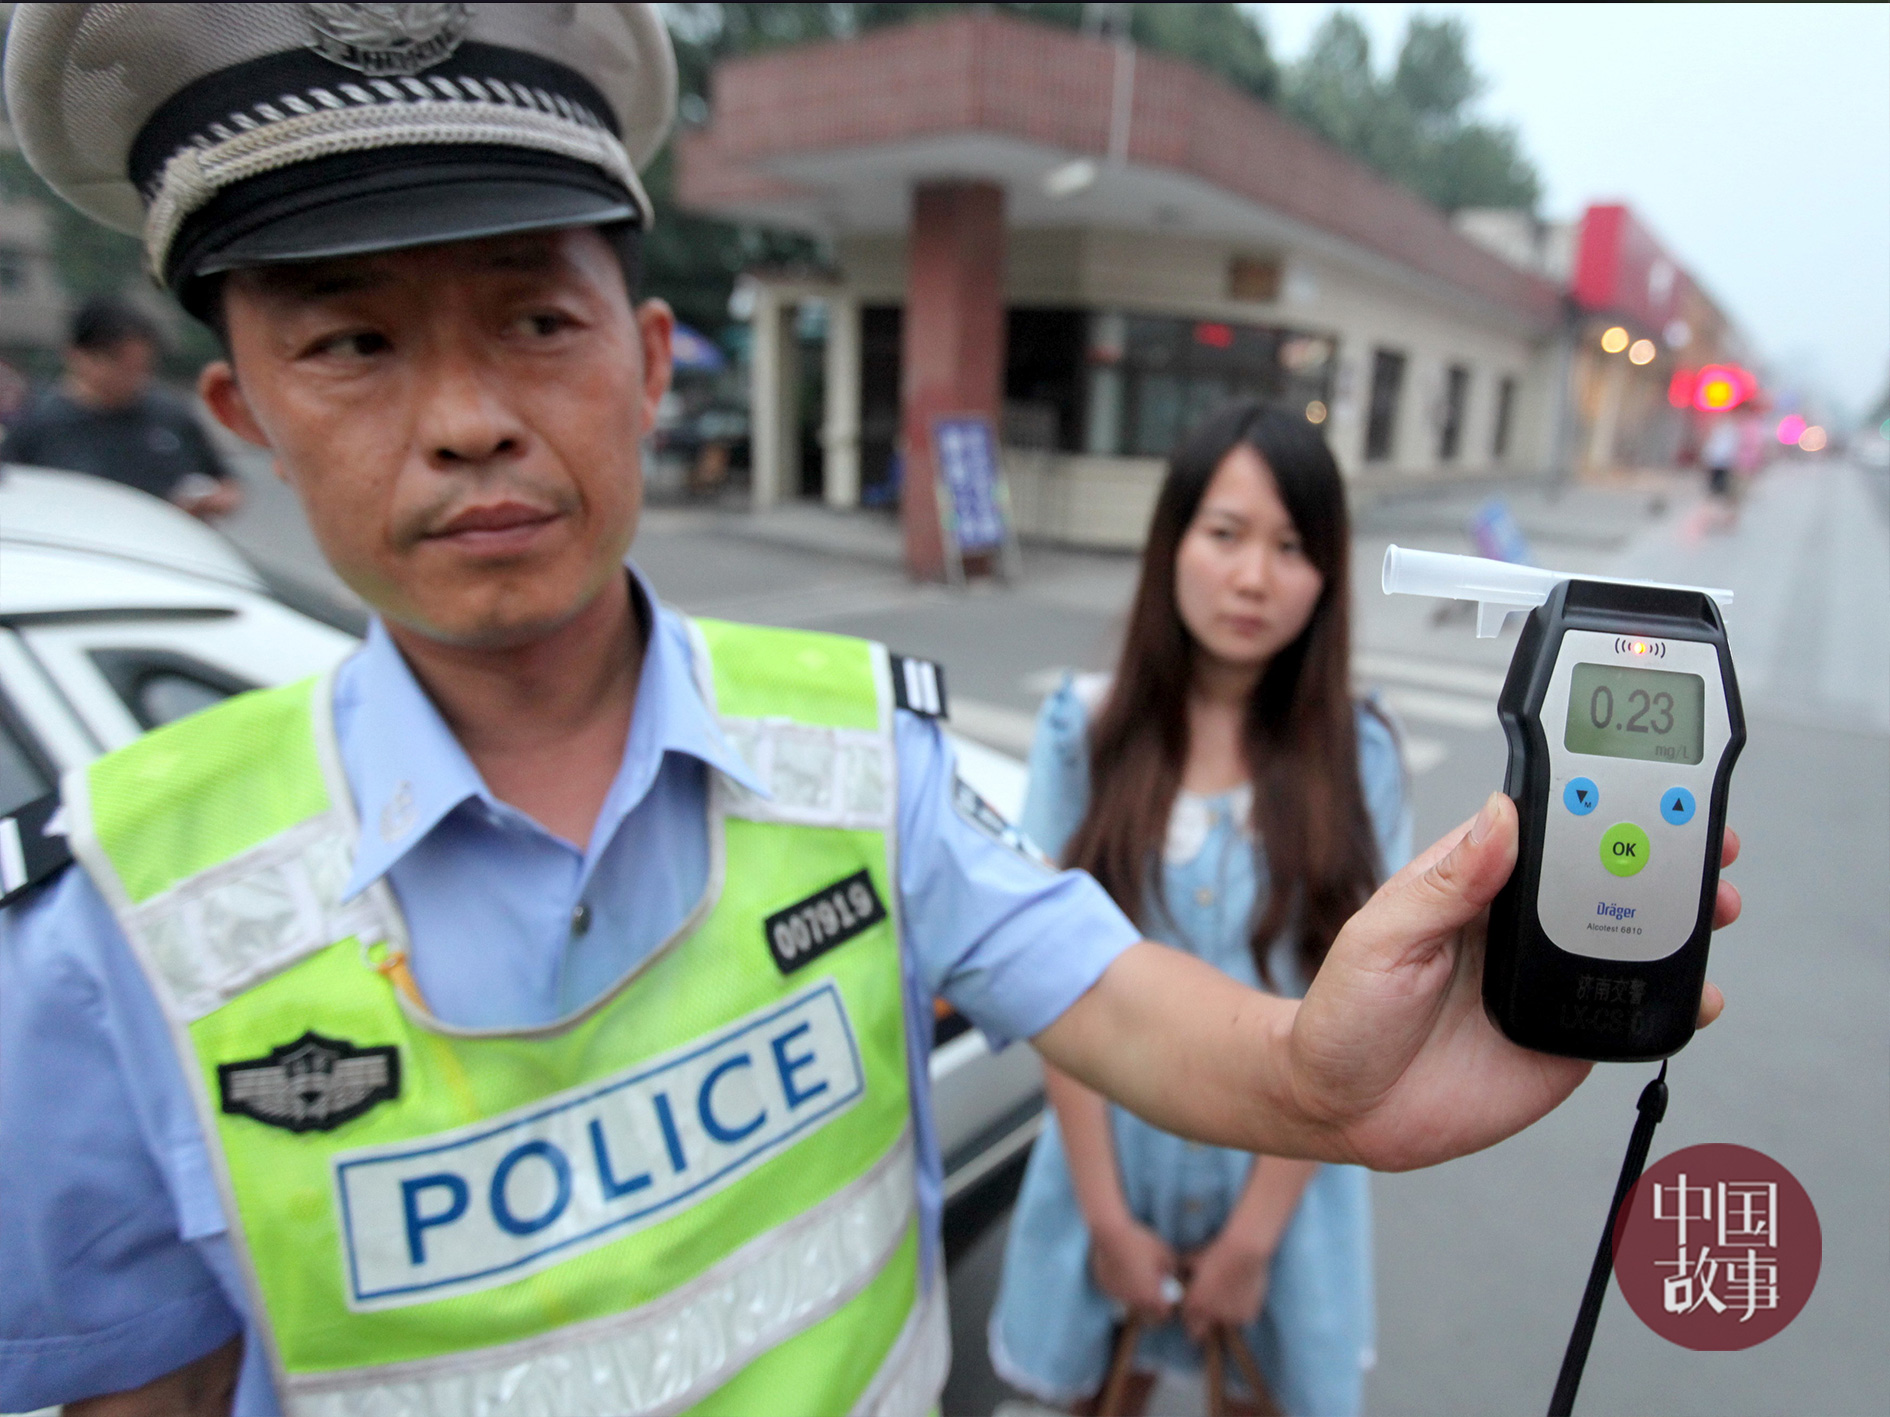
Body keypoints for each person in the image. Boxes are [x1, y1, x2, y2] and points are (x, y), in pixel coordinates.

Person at [0, 6, 1740, 1416]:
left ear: (651, 355)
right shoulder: (115, 929)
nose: (464, 417)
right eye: (352, 344)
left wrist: (1319, 1082)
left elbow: (1114, 1001)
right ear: (238, 405)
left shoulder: (860, 750)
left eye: (537, 317)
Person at [990, 404, 1402, 1415]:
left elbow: (1355, 1020)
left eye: (1293, 546)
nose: (1254, 577)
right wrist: (1105, 1217)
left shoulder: (1362, 755)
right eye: (1225, 534)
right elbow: (1055, 982)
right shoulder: (1081, 731)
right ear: (1172, 541)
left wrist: (1253, 1238)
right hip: (1106, 1168)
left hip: (1286, 1189)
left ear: (1328, 574)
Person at [3, 296, 243, 518]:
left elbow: (226, 484)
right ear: (79, 357)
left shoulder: (170, 416)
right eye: (122, 366)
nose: (135, 378)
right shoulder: (38, 426)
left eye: (143, 367)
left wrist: (210, 501)